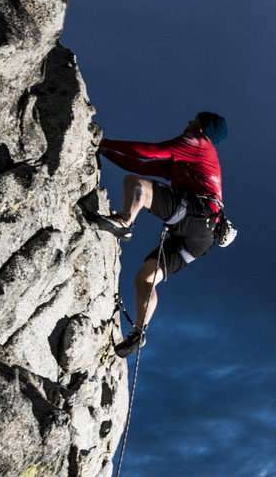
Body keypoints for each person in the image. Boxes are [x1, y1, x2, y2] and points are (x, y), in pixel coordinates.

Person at [93, 112, 228, 358]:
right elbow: (142, 163)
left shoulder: (196, 143)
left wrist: (105, 142)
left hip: (199, 216)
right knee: (146, 278)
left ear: (202, 127)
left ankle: (125, 222)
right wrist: (105, 151)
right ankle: (138, 331)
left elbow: (148, 151)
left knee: (136, 185)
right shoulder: (189, 157)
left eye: (194, 118)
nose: (188, 121)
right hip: (202, 237)